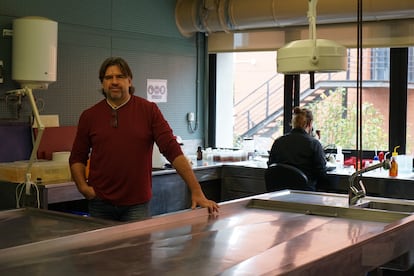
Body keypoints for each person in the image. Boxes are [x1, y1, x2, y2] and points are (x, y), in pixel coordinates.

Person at [69, 57, 219, 222]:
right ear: (102, 83)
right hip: (99, 204)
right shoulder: (90, 116)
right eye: (108, 78)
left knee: (138, 248)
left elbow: (172, 149)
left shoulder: (148, 111)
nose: (114, 82)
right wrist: (83, 187)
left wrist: (196, 190)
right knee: (101, 249)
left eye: (119, 76)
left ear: (129, 80)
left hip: (137, 206)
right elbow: (77, 157)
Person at [267, 106, 331, 191]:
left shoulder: (278, 142)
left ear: (293, 123)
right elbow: (321, 173)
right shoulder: (314, 144)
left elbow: (271, 166)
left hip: (279, 193)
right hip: (305, 195)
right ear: (310, 124)